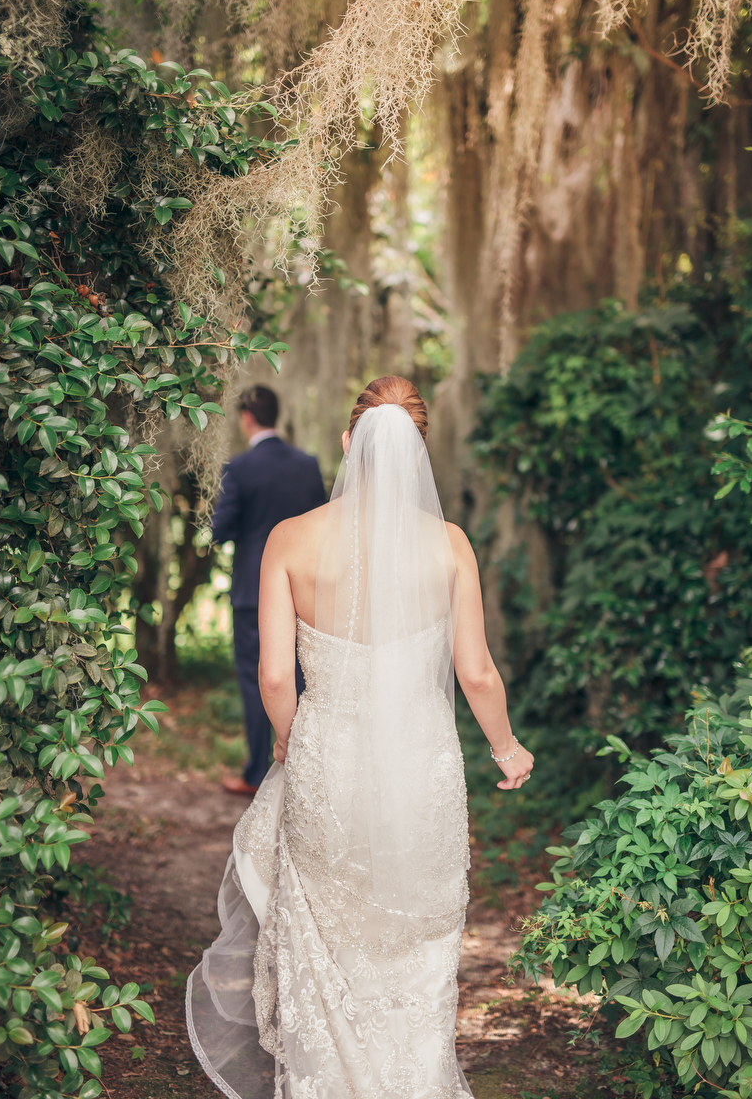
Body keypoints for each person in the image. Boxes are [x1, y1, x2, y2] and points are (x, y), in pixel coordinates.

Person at [187, 376, 534, 1099]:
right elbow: (476, 673)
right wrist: (508, 749)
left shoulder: (290, 540)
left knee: (328, 941)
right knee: (417, 941)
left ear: (347, 446)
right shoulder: (451, 546)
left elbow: (275, 677)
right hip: (422, 771)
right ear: (418, 456)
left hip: (328, 765)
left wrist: (289, 741)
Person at [211, 385, 325, 797]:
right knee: (299, 678)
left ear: (246, 417)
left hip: (253, 592)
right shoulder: (307, 465)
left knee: (257, 678)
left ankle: (257, 772)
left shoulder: (239, 468)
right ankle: (303, 768)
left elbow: (219, 529)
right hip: (304, 592)